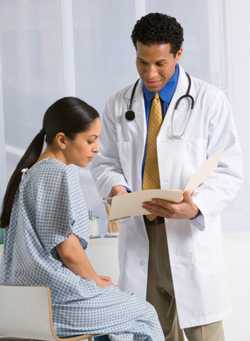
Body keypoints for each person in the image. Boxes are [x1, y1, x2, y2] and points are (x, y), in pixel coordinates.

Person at [91, 13, 243, 341]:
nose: (150, 73)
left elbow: (229, 169)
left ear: (178, 54)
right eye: (142, 62)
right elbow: (103, 161)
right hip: (140, 234)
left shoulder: (209, 101)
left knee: (205, 333)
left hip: (189, 232)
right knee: (148, 331)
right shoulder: (119, 104)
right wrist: (115, 186)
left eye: (160, 63)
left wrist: (196, 206)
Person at [0, 97, 164, 341]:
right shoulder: (57, 173)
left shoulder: (33, 172)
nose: (97, 148)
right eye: (91, 140)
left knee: (121, 328)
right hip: (55, 301)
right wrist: (95, 280)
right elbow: (69, 250)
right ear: (63, 140)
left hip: (26, 302)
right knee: (144, 314)